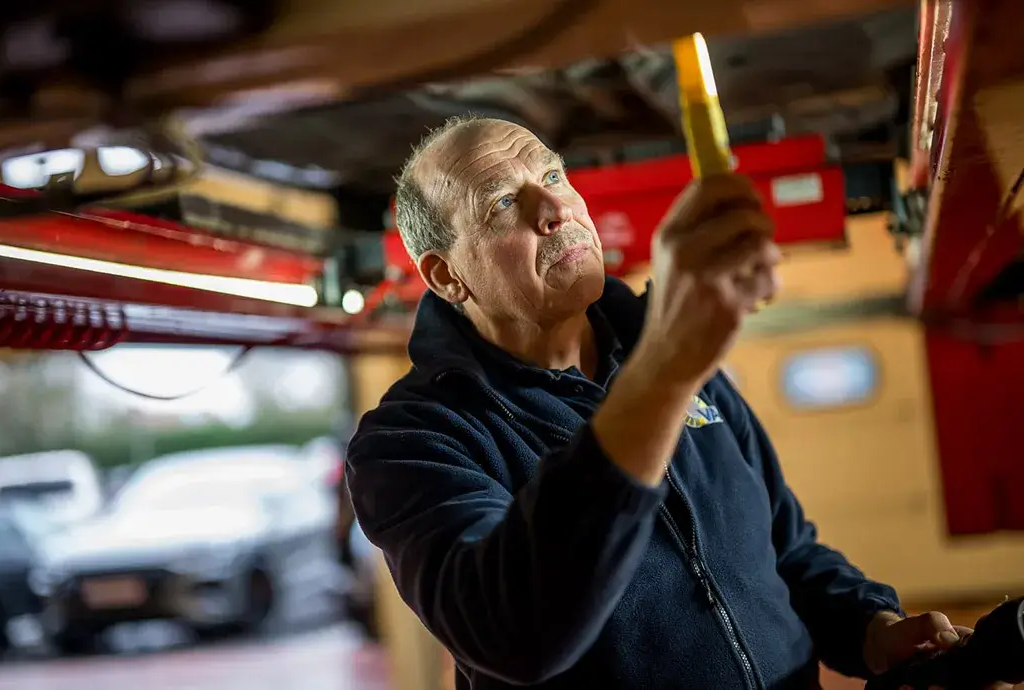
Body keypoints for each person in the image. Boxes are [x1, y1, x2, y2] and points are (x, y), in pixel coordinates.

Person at [345, 116, 999, 689]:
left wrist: (869, 627)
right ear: (445, 275)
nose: (554, 207)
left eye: (553, 174)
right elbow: (515, 633)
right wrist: (664, 369)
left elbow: (786, 548)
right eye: (499, 204)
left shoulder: (676, 361)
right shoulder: (415, 441)